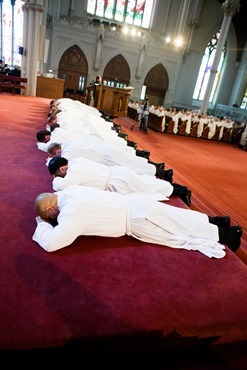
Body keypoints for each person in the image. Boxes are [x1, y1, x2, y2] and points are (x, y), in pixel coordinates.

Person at [32, 185, 242, 256]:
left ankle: (226, 236)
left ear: (51, 208)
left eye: (50, 217)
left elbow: (52, 244)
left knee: (175, 233)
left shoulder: (70, 213)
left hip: (134, 220)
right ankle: (216, 222)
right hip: (133, 203)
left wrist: (42, 226)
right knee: (178, 216)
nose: (54, 220)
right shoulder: (70, 190)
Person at [47, 156, 190, 204]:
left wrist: (56, 179)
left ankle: (181, 191)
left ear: (61, 170)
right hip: (117, 172)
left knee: (149, 188)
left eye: (57, 174)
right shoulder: (77, 160)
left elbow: (61, 186)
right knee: (148, 183)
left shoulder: (73, 172)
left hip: (117, 182)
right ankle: (180, 189)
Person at [45, 137, 175, 185]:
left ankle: (163, 173)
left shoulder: (67, 154)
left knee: (135, 167)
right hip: (106, 149)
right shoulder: (69, 142)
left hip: (107, 158)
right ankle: (161, 170)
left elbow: (67, 167)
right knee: (134, 162)